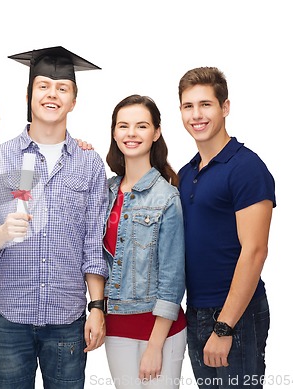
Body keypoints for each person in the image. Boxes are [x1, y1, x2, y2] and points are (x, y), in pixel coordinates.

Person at [0, 46, 109, 389]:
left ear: (73, 100)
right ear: (29, 95)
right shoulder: (3, 158)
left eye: (62, 88)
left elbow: (93, 241)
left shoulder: (88, 163)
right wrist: (3, 232)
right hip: (10, 314)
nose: (52, 94)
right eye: (44, 86)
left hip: (67, 316)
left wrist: (97, 306)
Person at [177, 67, 276, 389]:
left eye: (205, 104)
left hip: (236, 315)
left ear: (225, 107)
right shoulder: (187, 172)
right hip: (196, 310)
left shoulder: (246, 167)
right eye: (188, 106)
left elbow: (255, 251)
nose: (196, 115)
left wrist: (224, 326)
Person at [103, 95, 187, 388]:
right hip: (115, 327)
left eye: (141, 126)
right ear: (114, 132)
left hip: (159, 331)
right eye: (123, 126)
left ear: (156, 132)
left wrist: (155, 345)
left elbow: (172, 276)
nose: (131, 133)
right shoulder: (107, 192)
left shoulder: (166, 197)